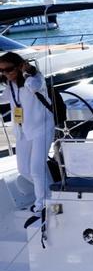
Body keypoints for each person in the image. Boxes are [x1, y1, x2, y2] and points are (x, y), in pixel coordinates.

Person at [0, 52, 56, 218]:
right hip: (23, 131)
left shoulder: (35, 79)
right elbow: (4, 98)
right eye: (2, 71)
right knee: (24, 169)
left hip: (42, 128)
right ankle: (51, 191)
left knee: (37, 169)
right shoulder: (11, 85)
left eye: (8, 69)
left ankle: (42, 204)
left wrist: (29, 71)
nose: (5, 73)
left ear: (18, 66)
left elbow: (36, 86)